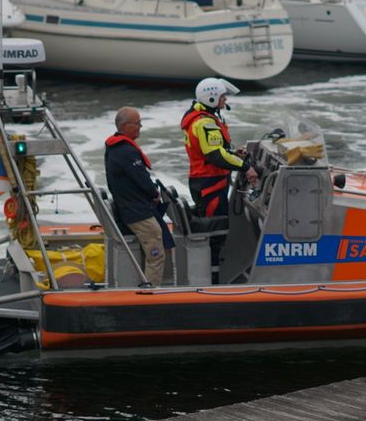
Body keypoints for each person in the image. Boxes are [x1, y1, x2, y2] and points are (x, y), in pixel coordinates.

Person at [180, 77, 258, 283]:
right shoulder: (205, 123)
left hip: (204, 182)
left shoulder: (199, 117)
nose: (224, 100)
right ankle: (213, 280)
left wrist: (233, 152)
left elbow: (217, 150)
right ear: (212, 97)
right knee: (216, 235)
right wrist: (245, 166)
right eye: (222, 96)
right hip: (210, 185)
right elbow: (215, 155)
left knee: (216, 231)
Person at [105, 107, 172, 286]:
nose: (140, 126)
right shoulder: (125, 151)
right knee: (155, 254)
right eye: (137, 123)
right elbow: (142, 179)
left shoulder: (114, 147)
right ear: (126, 126)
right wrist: (154, 194)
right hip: (136, 212)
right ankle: (151, 296)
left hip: (130, 207)